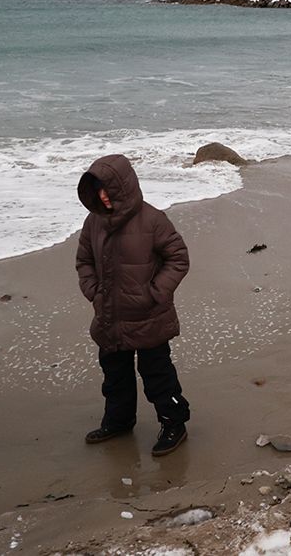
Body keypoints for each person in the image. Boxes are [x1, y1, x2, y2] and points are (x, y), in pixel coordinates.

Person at [76, 154, 192, 456]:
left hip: (149, 317)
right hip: (109, 318)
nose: (103, 196)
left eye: (108, 189)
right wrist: (94, 293)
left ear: (124, 187)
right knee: (115, 377)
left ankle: (173, 424)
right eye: (97, 189)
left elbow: (178, 258)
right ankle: (119, 422)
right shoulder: (94, 222)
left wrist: (154, 294)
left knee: (158, 376)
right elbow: (84, 261)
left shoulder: (153, 220)